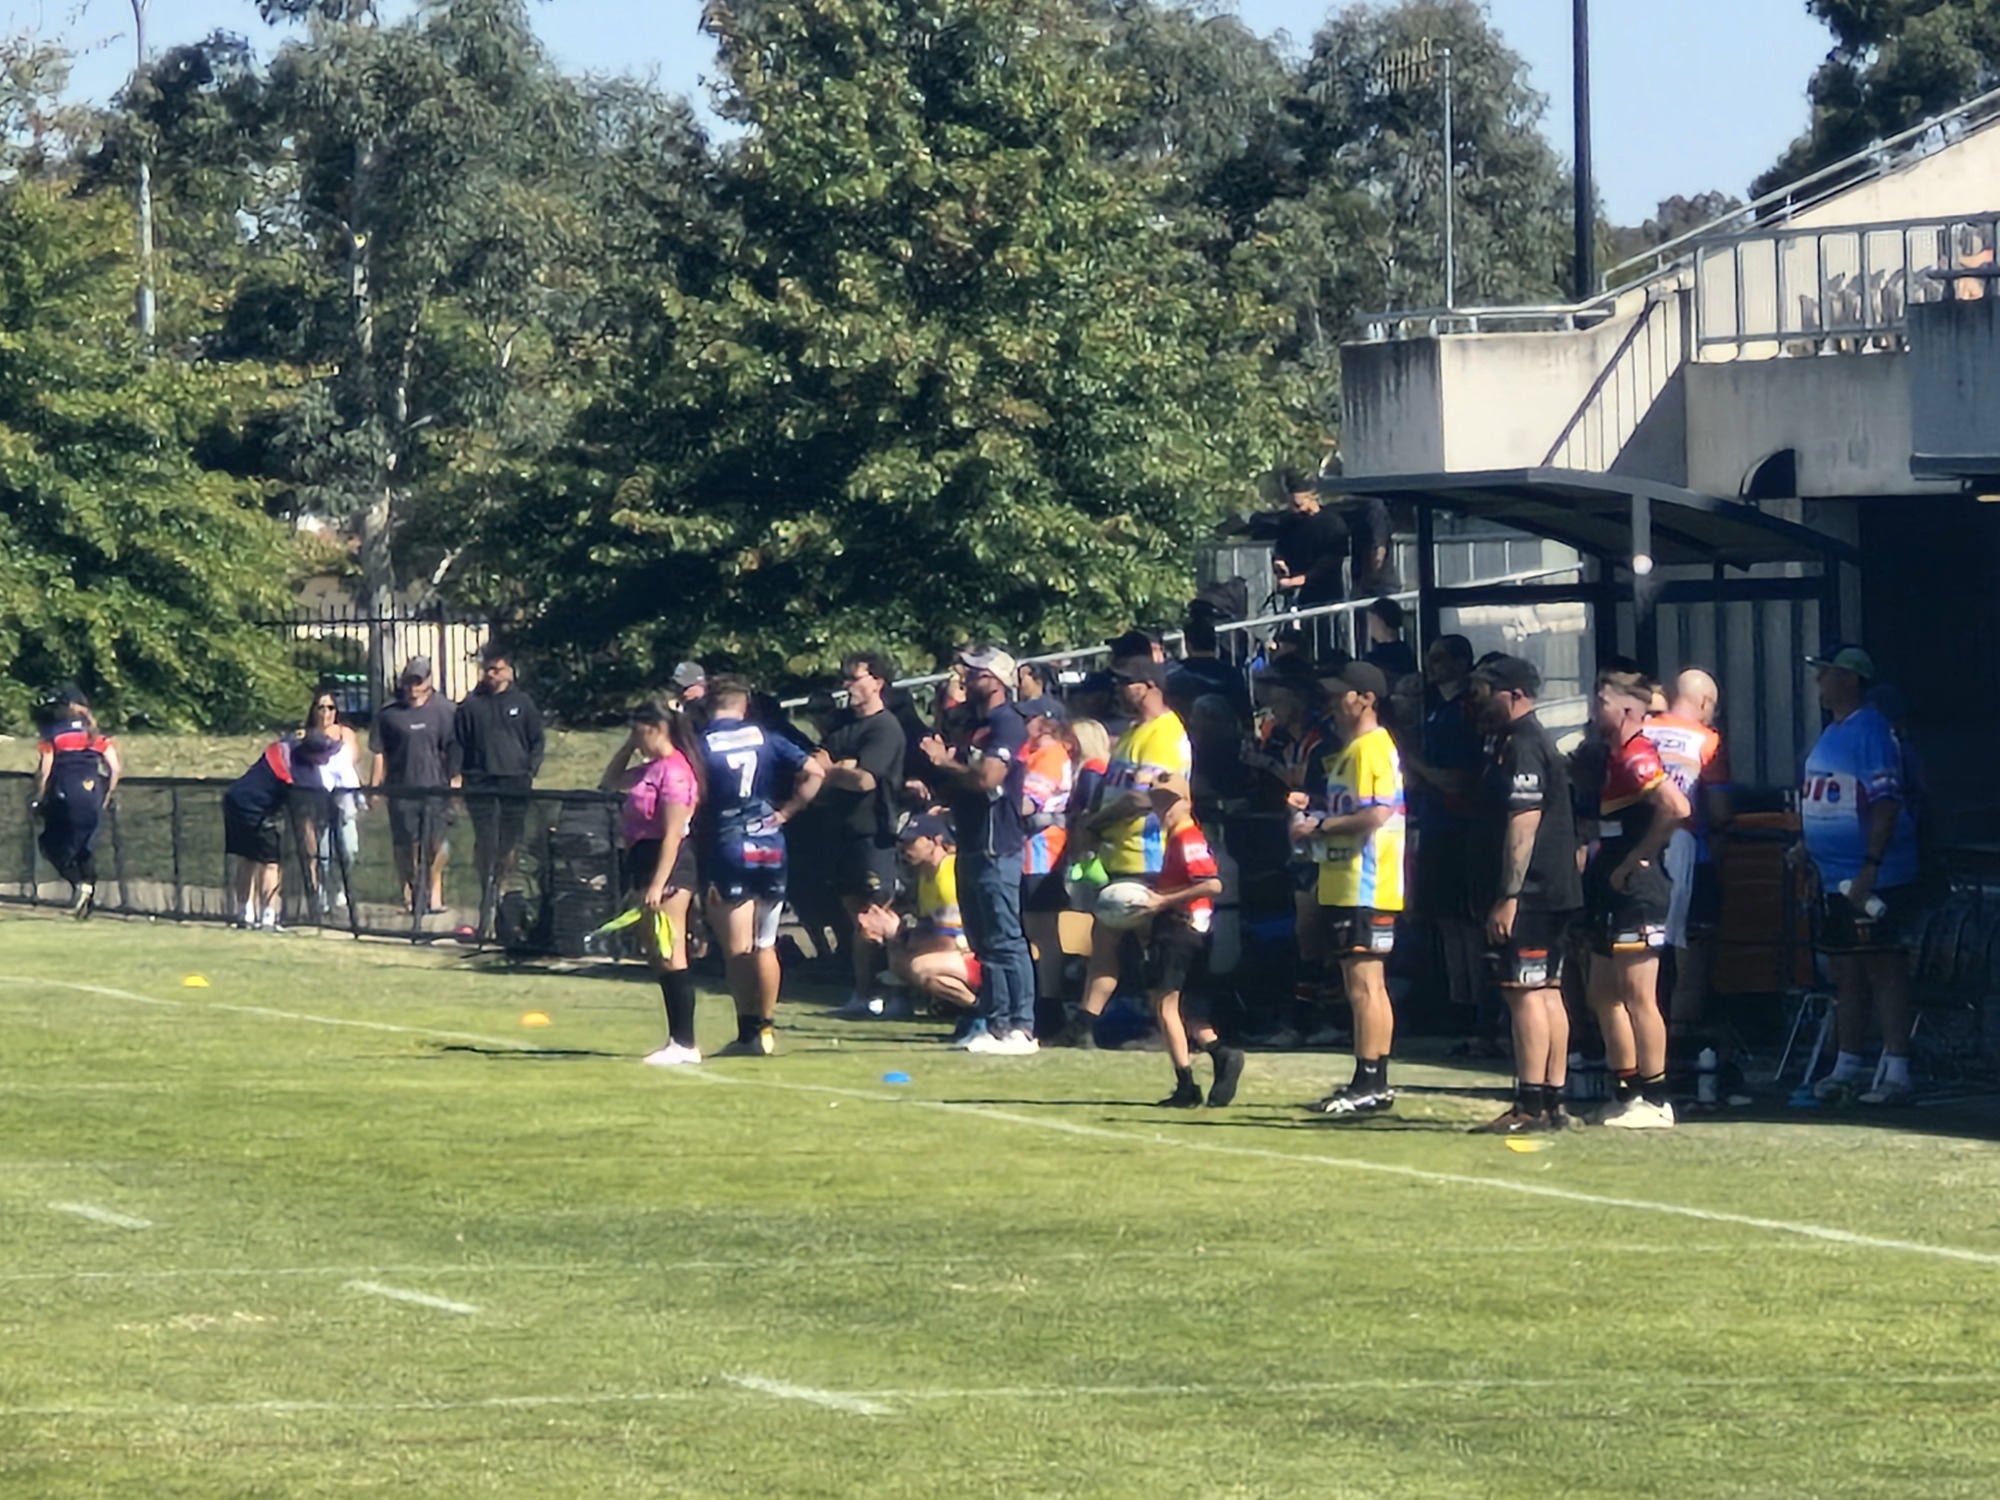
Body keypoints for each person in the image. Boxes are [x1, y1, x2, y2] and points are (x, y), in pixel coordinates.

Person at [1800, 646, 1925, 1106]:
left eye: (1826, 674)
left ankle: (1897, 1069)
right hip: (1834, 877)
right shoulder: (1833, 732)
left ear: (1850, 679)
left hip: (1874, 876)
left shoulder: (1871, 729)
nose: (1819, 682)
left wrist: (1871, 866)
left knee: (1883, 967)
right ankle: (1848, 1064)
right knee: (1845, 970)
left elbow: (1886, 800)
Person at [1465, 657, 1585, 1133]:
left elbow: (1524, 821)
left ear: (1514, 694)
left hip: (1532, 892)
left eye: (1485, 691)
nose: (1478, 701)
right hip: (1551, 890)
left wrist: (1508, 894)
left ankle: (1530, 1103)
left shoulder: (1524, 745)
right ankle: (1553, 1100)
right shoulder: (1517, 743)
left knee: (1525, 993)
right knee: (1548, 990)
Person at [1054, 655, 1193, 1047]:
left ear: (1149, 685)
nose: (1119, 689)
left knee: (1155, 949)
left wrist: (1096, 823)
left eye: (1127, 682)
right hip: (1120, 854)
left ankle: (1167, 1030)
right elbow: (1116, 790)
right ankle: (1082, 1025)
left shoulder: (1166, 734)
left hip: (1152, 855)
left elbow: (1146, 797)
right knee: (1104, 942)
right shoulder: (1135, 732)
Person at [1583, 669, 1692, 1129]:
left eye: (1602, 704)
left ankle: (1657, 1097)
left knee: (1638, 995)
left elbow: (1677, 807)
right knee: (1602, 991)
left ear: (1627, 710)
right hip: (1612, 887)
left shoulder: (1637, 754)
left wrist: (1637, 859)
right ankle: (1626, 1090)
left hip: (1639, 889)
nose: (1595, 711)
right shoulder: (1610, 757)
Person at [1298, 661, 1407, 1117]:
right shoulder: (1354, 750)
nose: (1331, 702)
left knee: (1364, 986)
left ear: (1365, 698)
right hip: (1351, 881)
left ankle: (1368, 1079)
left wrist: (1319, 826)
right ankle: (1374, 1080)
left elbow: (1376, 813)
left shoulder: (1371, 748)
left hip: (1366, 882)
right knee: (1366, 985)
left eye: (1340, 693)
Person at [699, 676, 826, 1056]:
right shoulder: (765, 735)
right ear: (744, 704)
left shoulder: (703, 740)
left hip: (730, 842)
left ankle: (747, 1032)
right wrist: (787, 811)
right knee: (765, 943)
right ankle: (767, 1028)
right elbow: (815, 771)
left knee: (737, 948)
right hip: (770, 842)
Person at [921, 646, 1039, 1052]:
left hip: (996, 842)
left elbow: (988, 778)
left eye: (974, 673)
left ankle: (1021, 1025)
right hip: (969, 839)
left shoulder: (1008, 724)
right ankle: (994, 1019)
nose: (966, 679)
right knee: (982, 939)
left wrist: (944, 763)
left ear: (995, 678)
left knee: (1005, 937)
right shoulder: (975, 725)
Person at [604, 701, 707, 1065]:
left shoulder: (676, 772)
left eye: (639, 730)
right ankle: (677, 1038)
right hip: (642, 858)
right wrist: (629, 746)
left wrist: (658, 882)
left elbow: (673, 833)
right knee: (656, 952)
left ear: (657, 727)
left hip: (669, 864)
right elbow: (610, 781)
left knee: (670, 949)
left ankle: (684, 1041)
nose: (636, 738)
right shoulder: (650, 769)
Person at [812, 652, 911, 1020]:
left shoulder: (884, 728)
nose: (847, 686)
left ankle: (898, 991)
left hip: (874, 832)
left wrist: (833, 771)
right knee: (856, 917)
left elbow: (866, 779)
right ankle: (864, 992)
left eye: (855, 678)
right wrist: (841, 769)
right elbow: (815, 763)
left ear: (877, 682)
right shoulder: (842, 726)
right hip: (842, 832)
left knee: (878, 914)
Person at [1402, 636, 1489, 1050]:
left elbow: (1457, 778)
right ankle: (1458, 1003)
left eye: (1440, 659)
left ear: (1461, 662)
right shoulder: (1437, 713)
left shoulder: (1463, 714)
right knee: (1446, 922)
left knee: (1466, 925)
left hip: (1459, 825)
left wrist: (1414, 760)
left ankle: (1475, 1007)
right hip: (1437, 824)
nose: (1431, 666)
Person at [1140, 774, 1246, 1108]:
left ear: (1185, 802)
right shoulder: (1174, 836)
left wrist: (1163, 901)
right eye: (1157, 801)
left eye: (1168, 801)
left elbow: (1211, 883)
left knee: (1165, 1004)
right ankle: (1220, 1052)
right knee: (1183, 1008)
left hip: (1182, 927)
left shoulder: (1187, 836)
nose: (1162, 808)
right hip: (1186, 927)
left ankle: (1186, 1083)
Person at [1640, 669, 1733, 1033]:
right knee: (1690, 959)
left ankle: (1638, 1047)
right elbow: (1722, 810)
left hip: (1637, 853)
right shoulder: (1708, 740)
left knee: (1639, 960)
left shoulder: (1641, 734)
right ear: (1705, 704)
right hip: (1690, 856)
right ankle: (1681, 1046)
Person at [455, 642, 547, 940]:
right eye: (488, 669)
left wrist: (529, 770)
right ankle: (486, 891)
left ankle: (503, 888)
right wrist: (456, 776)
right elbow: (458, 743)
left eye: (498, 669)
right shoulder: (470, 705)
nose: (492, 674)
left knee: (508, 843)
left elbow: (536, 741)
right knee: (485, 840)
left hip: (514, 783)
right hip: (480, 782)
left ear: (509, 671)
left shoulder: (523, 703)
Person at [858, 814, 984, 1023]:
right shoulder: (925, 875)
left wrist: (898, 934)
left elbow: (948, 940)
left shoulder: (948, 875)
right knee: (899, 959)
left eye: (913, 842)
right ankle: (955, 1005)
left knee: (920, 967)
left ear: (935, 841)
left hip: (974, 955)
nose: (906, 849)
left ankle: (980, 1010)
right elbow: (930, 928)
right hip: (958, 951)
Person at [224, 732, 336, 932]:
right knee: (270, 864)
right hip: (255, 808)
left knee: (247, 859)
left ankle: (244, 914)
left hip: (234, 800)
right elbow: (303, 810)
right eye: (324, 753)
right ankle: (268, 917)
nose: (328, 757)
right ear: (310, 753)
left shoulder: (288, 748)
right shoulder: (296, 771)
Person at [33, 685, 122, 918]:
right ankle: (87, 897)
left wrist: (39, 797)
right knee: (85, 848)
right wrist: (107, 795)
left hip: (64, 792)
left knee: (51, 844)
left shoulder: (52, 735)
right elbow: (115, 768)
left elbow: (45, 769)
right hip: (92, 795)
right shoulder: (97, 735)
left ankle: (78, 885)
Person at [1018, 698, 1077, 1022]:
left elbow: (1027, 803)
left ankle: (1049, 1002)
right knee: (1029, 927)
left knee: (1043, 930)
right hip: (1026, 852)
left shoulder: (1051, 756)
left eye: (1027, 718)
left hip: (1043, 852)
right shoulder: (1030, 754)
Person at [1271, 473, 1350, 609]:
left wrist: (1303, 579)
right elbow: (1280, 549)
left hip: (1326, 596)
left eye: (1298, 505)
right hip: (1295, 597)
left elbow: (1332, 559)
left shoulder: (1332, 524)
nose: (1294, 510)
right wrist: (1279, 562)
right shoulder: (1289, 523)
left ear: (1312, 498)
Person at [1361, 598, 1418, 679]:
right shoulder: (1407, 652)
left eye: (1370, 619)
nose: (1368, 625)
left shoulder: (1372, 659)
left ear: (1380, 621)